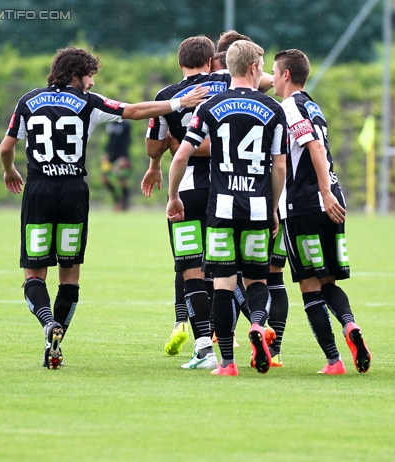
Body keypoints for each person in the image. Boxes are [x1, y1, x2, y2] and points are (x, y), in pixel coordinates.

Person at [0, 46, 208, 369]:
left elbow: (6, 146)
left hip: (38, 191)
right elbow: (136, 111)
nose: (93, 83)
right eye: (90, 76)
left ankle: (47, 324)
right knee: (70, 277)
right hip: (73, 193)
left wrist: (9, 169)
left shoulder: (28, 101)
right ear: (75, 75)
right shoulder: (87, 103)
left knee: (34, 273)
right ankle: (55, 340)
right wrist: (180, 102)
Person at [166, 40, 288, 376]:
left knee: (221, 283)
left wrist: (173, 195)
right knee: (256, 278)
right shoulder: (273, 109)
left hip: (220, 208)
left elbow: (180, 155)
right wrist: (274, 207)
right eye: (261, 66)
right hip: (258, 207)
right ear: (252, 68)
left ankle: (227, 363)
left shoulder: (210, 107)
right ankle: (258, 324)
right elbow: (279, 167)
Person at [271, 49, 371, 375]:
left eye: (274, 72)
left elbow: (312, 146)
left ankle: (333, 360)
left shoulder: (289, 107)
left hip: (304, 206)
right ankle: (349, 325)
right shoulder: (313, 105)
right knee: (328, 281)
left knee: (309, 285)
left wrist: (323, 192)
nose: (271, 78)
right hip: (333, 202)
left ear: (286, 75)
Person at [142, 35, 235, 369]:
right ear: (212, 60)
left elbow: (155, 146)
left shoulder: (167, 96)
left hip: (186, 191)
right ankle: (231, 340)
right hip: (227, 188)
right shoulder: (228, 83)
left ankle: (203, 349)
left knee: (189, 266)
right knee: (226, 267)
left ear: (180, 63)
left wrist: (168, 149)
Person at [101, 120, 132, 211]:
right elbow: (110, 140)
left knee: (122, 181)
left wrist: (123, 157)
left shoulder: (126, 124)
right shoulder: (110, 123)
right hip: (110, 156)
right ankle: (117, 200)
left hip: (122, 156)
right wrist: (106, 153)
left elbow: (127, 142)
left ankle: (125, 204)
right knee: (105, 179)